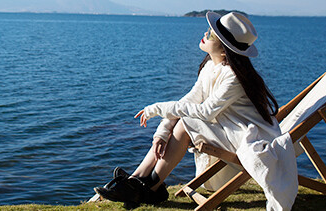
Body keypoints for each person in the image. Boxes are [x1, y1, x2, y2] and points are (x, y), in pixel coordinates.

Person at [94, 11, 298, 210]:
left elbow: (206, 112)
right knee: (183, 119)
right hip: (227, 129)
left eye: (210, 33)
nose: (205, 33)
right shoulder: (211, 66)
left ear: (224, 48)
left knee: (186, 123)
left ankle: (148, 188)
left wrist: (157, 109)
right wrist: (161, 133)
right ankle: (136, 180)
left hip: (246, 136)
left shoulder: (233, 76)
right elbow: (189, 101)